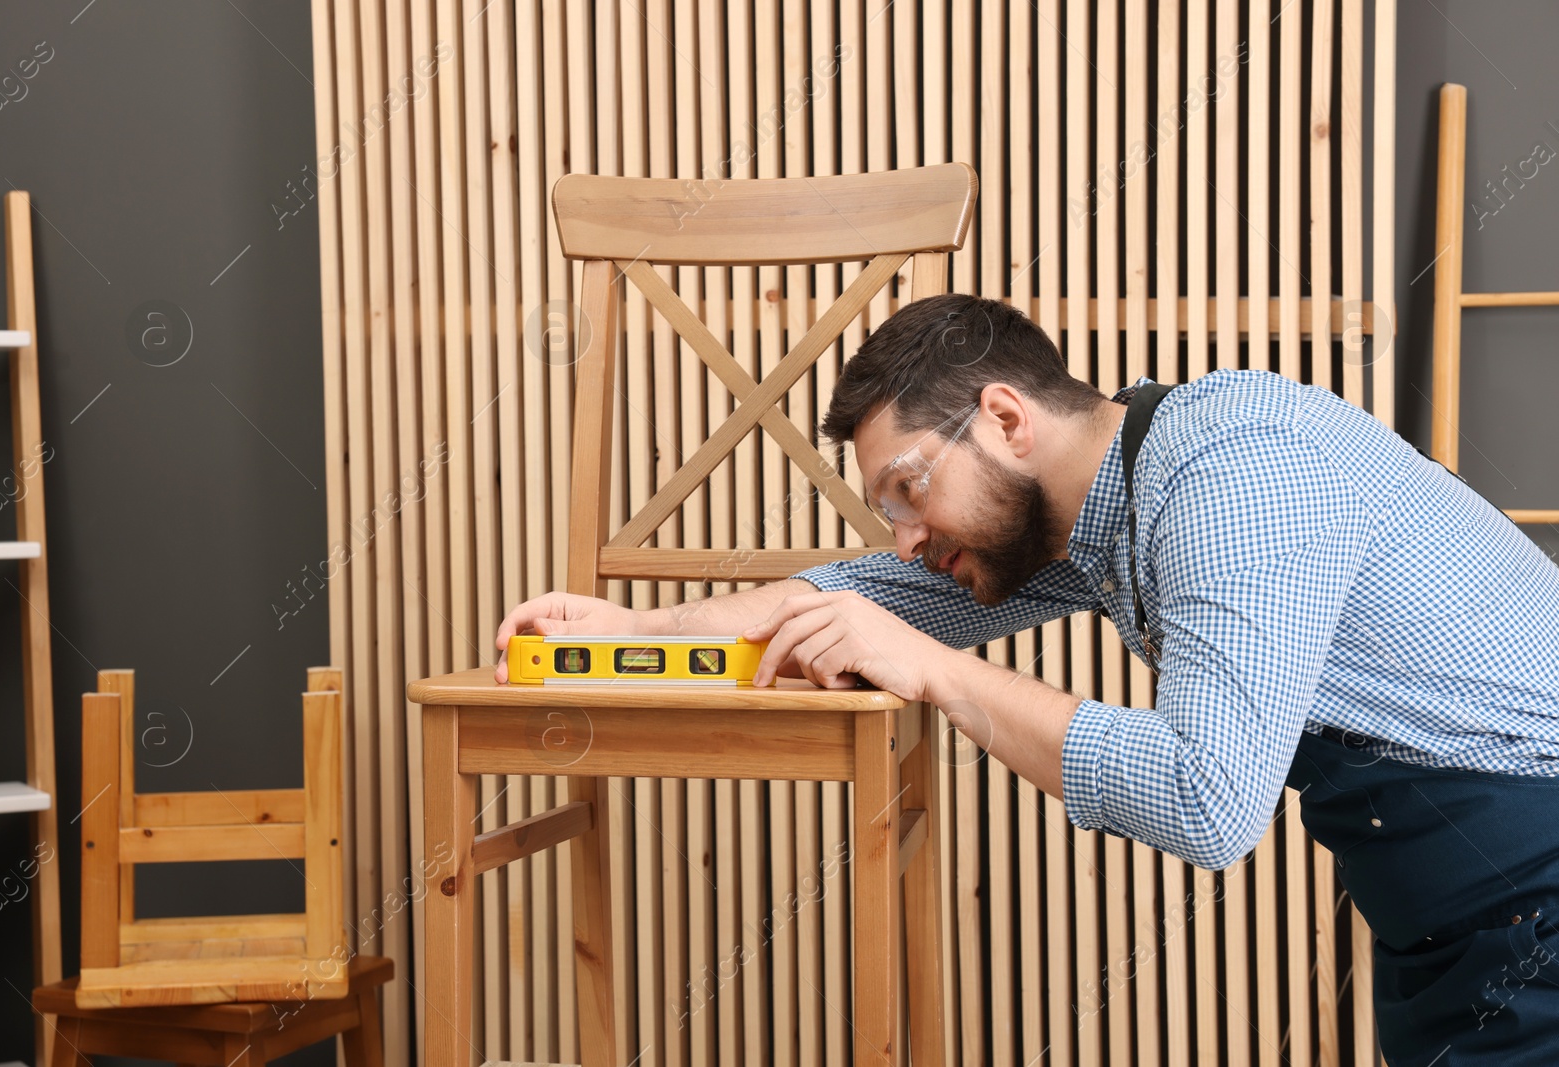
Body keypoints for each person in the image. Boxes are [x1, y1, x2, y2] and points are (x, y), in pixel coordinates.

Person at [494, 293, 1559, 1065]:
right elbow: (857, 594)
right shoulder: (1107, 515)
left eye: (910, 488)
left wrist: (938, 675)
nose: (906, 538)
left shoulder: (1229, 471)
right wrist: (641, 623)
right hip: (1447, 929)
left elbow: (1207, 797)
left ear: (1004, 418)